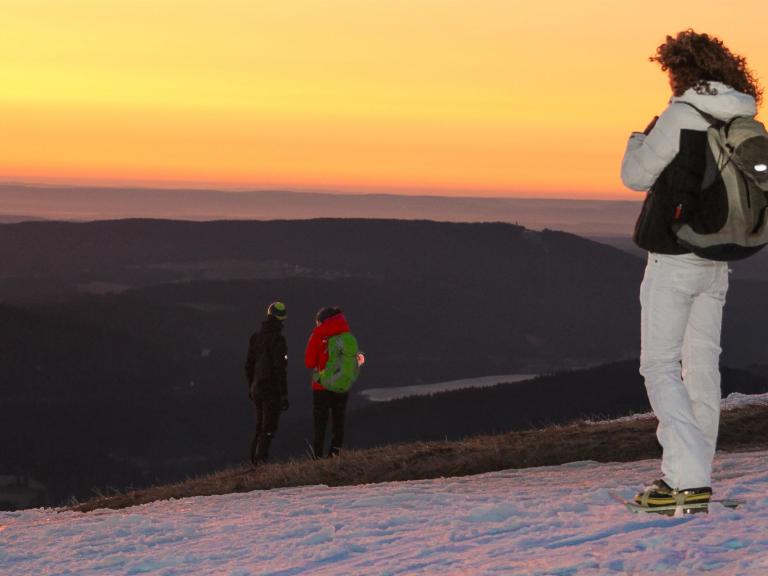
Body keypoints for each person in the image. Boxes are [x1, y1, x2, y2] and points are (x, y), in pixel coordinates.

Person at [621, 30, 762, 508]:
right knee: (701, 365)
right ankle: (693, 473)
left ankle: (686, 479)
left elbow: (636, 176)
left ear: (681, 70)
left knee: (658, 365)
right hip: (718, 260)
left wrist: (639, 137)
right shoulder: (742, 115)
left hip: (675, 257)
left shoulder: (684, 113)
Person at [244, 301, 289, 466]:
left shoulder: (255, 338)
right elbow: (280, 369)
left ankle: (254, 461)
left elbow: (248, 365)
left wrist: (251, 386)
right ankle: (261, 462)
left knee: (259, 426)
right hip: (271, 389)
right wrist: (283, 394)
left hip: (256, 387)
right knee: (268, 427)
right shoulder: (278, 339)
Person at [304, 306, 353, 458]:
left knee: (320, 424)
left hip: (321, 386)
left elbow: (309, 362)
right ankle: (335, 455)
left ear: (322, 322)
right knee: (338, 422)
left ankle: (317, 457)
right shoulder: (347, 336)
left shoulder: (317, 336)